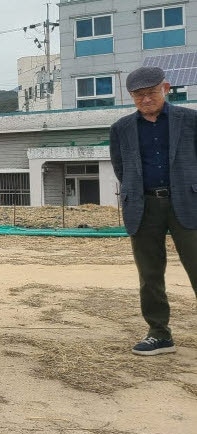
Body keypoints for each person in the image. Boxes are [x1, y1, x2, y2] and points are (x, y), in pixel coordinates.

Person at [109, 66, 197, 356]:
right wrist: (135, 192)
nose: (145, 100)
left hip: (188, 202)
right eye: (138, 95)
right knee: (149, 274)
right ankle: (159, 333)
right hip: (144, 206)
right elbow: (121, 167)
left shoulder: (190, 120)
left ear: (166, 89)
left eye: (150, 93)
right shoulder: (121, 128)